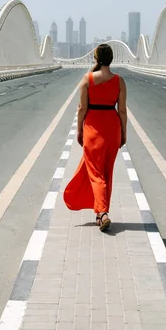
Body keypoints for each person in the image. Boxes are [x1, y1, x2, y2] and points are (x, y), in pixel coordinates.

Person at [63, 43, 127, 232]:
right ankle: (100, 214)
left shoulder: (87, 79)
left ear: (96, 58)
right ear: (111, 58)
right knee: (106, 172)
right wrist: (123, 133)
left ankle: (103, 212)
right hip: (112, 129)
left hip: (93, 128)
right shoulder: (119, 81)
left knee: (96, 174)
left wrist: (79, 130)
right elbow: (122, 110)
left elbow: (82, 108)